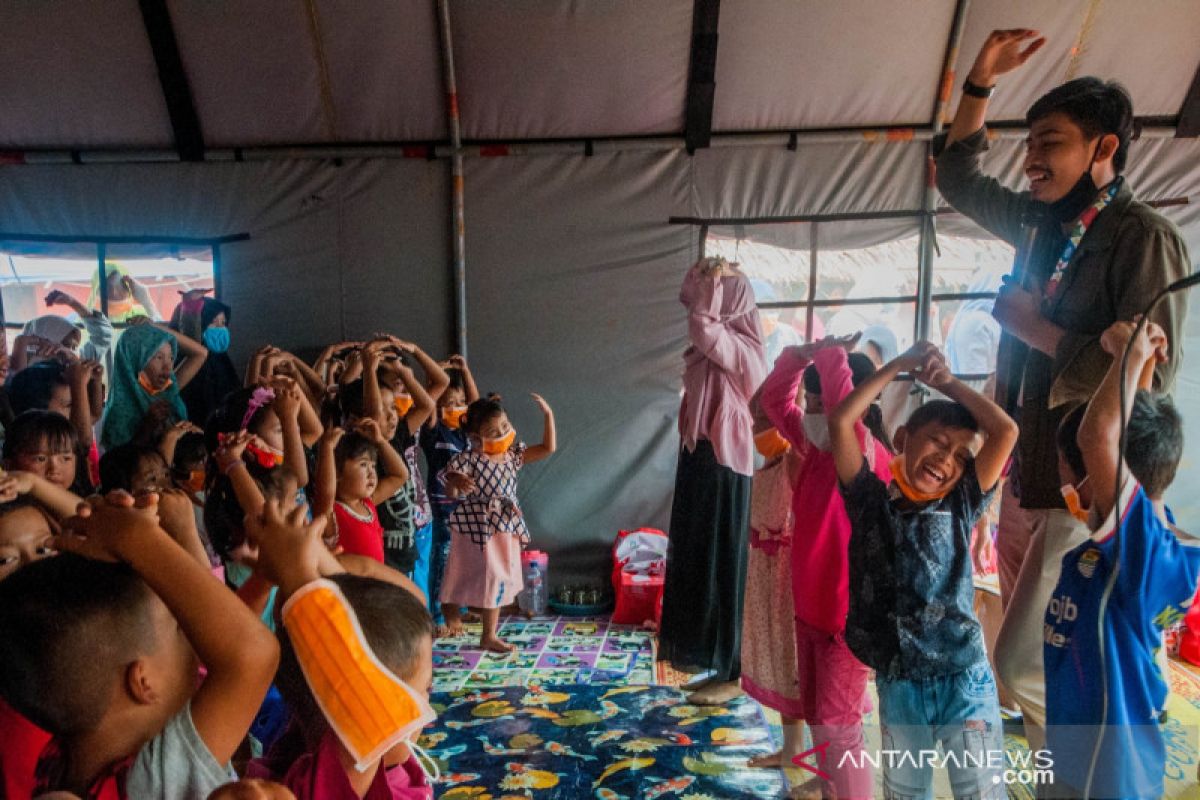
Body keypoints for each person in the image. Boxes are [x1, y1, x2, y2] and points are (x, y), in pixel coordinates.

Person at [936, 29, 1190, 747]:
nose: (1031, 160)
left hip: (1089, 481)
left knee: (1021, 665)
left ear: (1104, 149)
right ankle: (1064, 769)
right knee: (1041, 663)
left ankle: (1114, 744)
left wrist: (1037, 329)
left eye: (1049, 142)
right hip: (1029, 468)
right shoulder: (1042, 225)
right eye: (1028, 146)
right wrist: (980, 77)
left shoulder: (1143, 236)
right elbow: (955, 179)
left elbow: (1157, 377)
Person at [829, 342, 1018, 797]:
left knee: (982, 791)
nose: (946, 460)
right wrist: (899, 366)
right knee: (906, 793)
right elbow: (840, 420)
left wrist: (948, 383)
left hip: (963, 676)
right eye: (937, 441)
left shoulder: (962, 503)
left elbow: (1005, 431)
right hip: (900, 683)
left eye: (959, 456)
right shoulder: (868, 500)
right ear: (902, 439)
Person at [0, 491, 280, 798]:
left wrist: (135, 544)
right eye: (178, 626)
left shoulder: (63, 759)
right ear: (142, 681)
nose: (193, 633)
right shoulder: (153, 781)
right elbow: (253, 654)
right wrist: (137, 538)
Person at [1043, 320, 1200, 797]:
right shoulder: (1150, 539)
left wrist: (1125, 356)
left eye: (1072, 477)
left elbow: (1100, 439)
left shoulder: (1144, 556)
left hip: (1101, 770)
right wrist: (1145, 368)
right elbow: (1135, 454)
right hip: (1077, 748)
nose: (1070, 490)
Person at [759, 334, 893, 798]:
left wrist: (833, 353)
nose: (814, 412)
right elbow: (775, 400)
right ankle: (832, 789)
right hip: (811, 612)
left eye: (822, 402)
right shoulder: (816, 451)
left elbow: (842, 409)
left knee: (840, 730)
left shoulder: (859, 454)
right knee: (822, 721)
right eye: (811, 402)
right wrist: (799, 356)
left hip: (845, 621)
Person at [660, 256, 766, 705]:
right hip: (702, 461)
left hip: (724, 467)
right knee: (698, 560)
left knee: (724, 566)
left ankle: (734, 670)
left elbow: (702, 324)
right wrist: (707, 274)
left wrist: (718, 282)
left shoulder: (742, 350)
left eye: (726, 290)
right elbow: (693, 305)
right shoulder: (711, 351)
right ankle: (716, 663)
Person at [438, 393, 556, 652]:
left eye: (504, 426)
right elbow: (451, 491)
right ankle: (476, 627)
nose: (502, 433)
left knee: (501, 574)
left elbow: (548, 448)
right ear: (476, 438)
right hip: (477, 527)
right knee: (478, 574)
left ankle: (485, 624)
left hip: (505, 525)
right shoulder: (468, 459)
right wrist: (456, 483)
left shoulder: (513, 456)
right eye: (493, 430)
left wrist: (548, 416)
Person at [740, 393, 808, 774]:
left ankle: (831, 764)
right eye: (753, 416)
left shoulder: (797, 461)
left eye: (763, 417)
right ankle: (792, 749)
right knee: (783, 666)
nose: (755, 425)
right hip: (765, 580)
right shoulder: (771, 461)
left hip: (789, 581)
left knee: (800, 666)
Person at [420, 354, 480, 631]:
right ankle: (437, 614)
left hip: (467, 507)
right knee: (442, 558)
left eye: (459, 403)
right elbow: (427, 402)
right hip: (441, 506)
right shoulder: (434, 431)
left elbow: (476, 404)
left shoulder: (468, 433)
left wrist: (465, 371)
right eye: (449, 404)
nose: (456, 408)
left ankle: (462, 606)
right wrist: (436, 377)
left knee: (464, 558)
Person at [98, 321, 207, 451]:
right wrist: (147, 427)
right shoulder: (117, 415)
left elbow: (201, 353)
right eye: (158, 358)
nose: (168, 368)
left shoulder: (168, 391)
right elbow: (122, 464)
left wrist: (152, 326)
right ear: (135, 359)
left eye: (171, 358)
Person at [314, 421, 410, 563]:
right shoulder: (332, 513)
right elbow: (326, 493)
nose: (371, 473)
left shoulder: (368, 503)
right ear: (337, 473)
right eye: (363, 464)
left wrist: (380, 441)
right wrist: (327, 449)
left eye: (373, 465)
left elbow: (400, 475)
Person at [174, 295, 241, 426]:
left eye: (223, 323)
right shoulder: (182, 363)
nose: (220, 328)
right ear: (200, 324)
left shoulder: (222, 360)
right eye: (213, 322)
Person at [87, 261, 162, 322]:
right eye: (106, 288)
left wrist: (147, 304)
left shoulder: (140, 316)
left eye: (120, 287)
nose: (114, 293)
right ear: (95, 291)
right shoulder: (86, 319)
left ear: (130, 289)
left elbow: (167, 336)